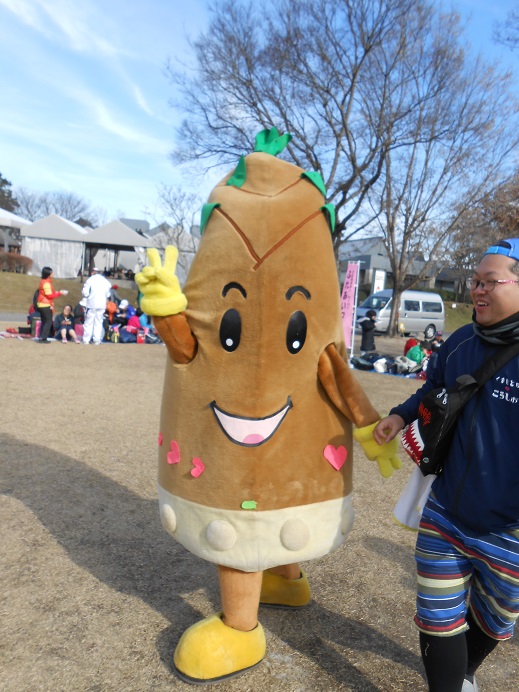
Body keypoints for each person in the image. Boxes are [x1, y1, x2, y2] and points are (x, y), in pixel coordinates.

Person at [373, 237, 519, 692]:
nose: (477, 289)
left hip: (510, 532)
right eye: (475, 281)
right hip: (446, 514)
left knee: (496, 621)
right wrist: (400, 415)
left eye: (489, 281)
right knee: (437, 616)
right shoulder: (459, 341)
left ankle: (466, 673)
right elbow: (431, 389)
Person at [36, 267, 69, 343]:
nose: (53, 274)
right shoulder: (46, 283)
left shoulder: (43, 281)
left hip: (41, 304)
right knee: (48, 322)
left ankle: (42, 337)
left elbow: (49, 293)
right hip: (45, 305)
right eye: (52, 273)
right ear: (48, 274)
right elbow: (49, 295)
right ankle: (43, 338)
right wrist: (59, 293)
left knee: (45, 321)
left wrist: (58, 292)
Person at [81, 267, 112, 345]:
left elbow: (85, 293)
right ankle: (97, 340)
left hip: (91, 304)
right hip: (102, 305)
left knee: (89, 322)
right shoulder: (105, 281)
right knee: (99, 322)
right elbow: (108, 293)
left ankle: (86, 339)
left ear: (92, 272)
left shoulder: (90, 280)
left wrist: (88, 296)